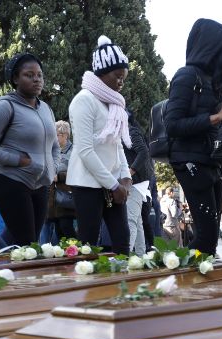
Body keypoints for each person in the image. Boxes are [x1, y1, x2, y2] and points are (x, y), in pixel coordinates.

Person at [165, 18, 222, 255]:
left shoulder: (214, 83)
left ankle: (197, 275)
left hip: (212, 163)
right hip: (190, 162)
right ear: (213, 49)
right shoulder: (187, 76)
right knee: (206, 236)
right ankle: (176, 271)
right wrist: (217, 116)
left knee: (210, 238)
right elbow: (172, 124)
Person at [0, 52, 58, 246]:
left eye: (40, 75)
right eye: (29, 75)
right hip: (10, 181)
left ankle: (2, 259)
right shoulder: (4, 107)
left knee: (30, 244)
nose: (37, 80)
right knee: (27, 243)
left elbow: (54, 146)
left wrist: (53, 167)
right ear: (15, 79)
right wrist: (18, 160)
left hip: (41, 184)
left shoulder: (46, 108)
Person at [66, 35, 132, 255]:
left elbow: (117, 144)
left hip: (113, 184)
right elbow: (85, 150)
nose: (121, 82)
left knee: (122, 241)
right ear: (102, 73)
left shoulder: (113, 103)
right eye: (117, 76)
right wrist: (113, 185)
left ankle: (123, 278)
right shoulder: (84, 100)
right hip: (87, 184)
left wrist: (125, 178)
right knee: (88, 245)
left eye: (123, 78)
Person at [42, 120, 77, 243]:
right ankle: (66, 253)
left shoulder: (74, 151)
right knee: (59, 230)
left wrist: (60, 177)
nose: (54, 138)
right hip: (53, 198)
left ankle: (79, 249)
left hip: (67, 196)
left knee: (66, 227)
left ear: (65, 135)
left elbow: (77, 172)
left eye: (57, 135)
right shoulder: (53, 150)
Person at [123, 109, 153, 255]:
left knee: (131, 221)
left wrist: (130, 172)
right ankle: (140, 255)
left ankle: (125, 257)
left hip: (135, 183)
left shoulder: (130, 132)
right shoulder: (126, 133)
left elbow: (144, 152)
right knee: (138, 221)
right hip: (136, 183)